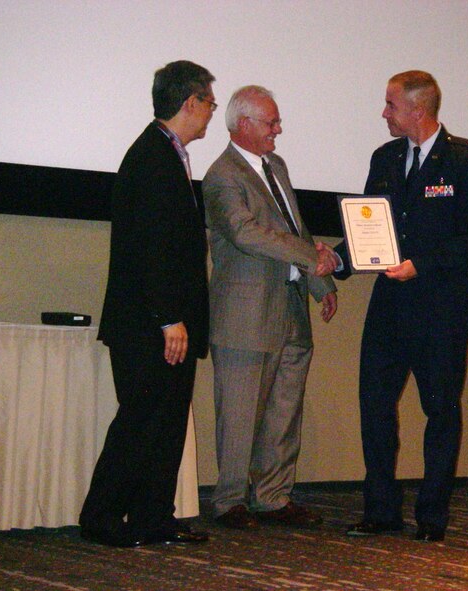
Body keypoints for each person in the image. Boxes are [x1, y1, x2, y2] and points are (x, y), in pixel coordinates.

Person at [337, 71, 468, 542]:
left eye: (390, 105)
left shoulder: (466, 159)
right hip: (389, 307)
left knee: (440, 411)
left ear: (417, 110)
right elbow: (369, 227)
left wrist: (420, 265)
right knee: (375, 407)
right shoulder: (384, 158)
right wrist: (337, 260)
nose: (384, 114)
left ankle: (432, 517)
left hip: (441, 308)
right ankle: (381, 511)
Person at [79, 60, 217, 547]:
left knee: (164, 424)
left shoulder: (165, 153)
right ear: (189, 103)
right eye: (209, 102)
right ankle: (100, 519)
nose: (212, 111)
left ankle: (152, 518)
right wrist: (169, 318)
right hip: (149, 326)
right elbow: (149, 248)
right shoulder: (152, 158)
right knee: (141, 422)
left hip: (160, 324)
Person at [202, 85, 338, 530]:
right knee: (240, 414)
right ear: (244, 125)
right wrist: (309, 257)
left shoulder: (275, 166)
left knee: (284, 410)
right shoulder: (222, 174)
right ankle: (228, 502)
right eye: (271, 122)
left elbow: (295, 227)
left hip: (290, 310)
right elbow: (247, 234)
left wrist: (320, 285)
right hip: (244, 315)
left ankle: (274, 498)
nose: (279, 129)